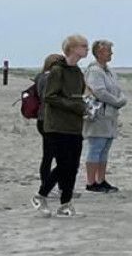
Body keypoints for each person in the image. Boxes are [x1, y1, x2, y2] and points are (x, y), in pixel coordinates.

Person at [34, 35, 90, 217]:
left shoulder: (77, 72)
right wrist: (74, 105)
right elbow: (50, 96)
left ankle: (65, 204)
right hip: (56, 126)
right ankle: (41, 195)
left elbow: (79, 95)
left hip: (74, 125)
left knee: (72, 166)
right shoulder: (57, 71)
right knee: (63, 164)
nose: (87, 49)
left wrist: (85, 106)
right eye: (83, 46)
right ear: (72, 48)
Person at [82, 40, 126, 193]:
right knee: (96, 147)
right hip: (99, 116)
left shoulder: (109, 71)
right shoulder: (94, 71)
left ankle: (101, 179)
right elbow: (99, 91)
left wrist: (120, 99)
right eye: (108, 51)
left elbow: (116, 88)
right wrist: (117, 101)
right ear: (99, 52)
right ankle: (91, 181)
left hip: (110, 115)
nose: (111, 53)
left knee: (105, 148)